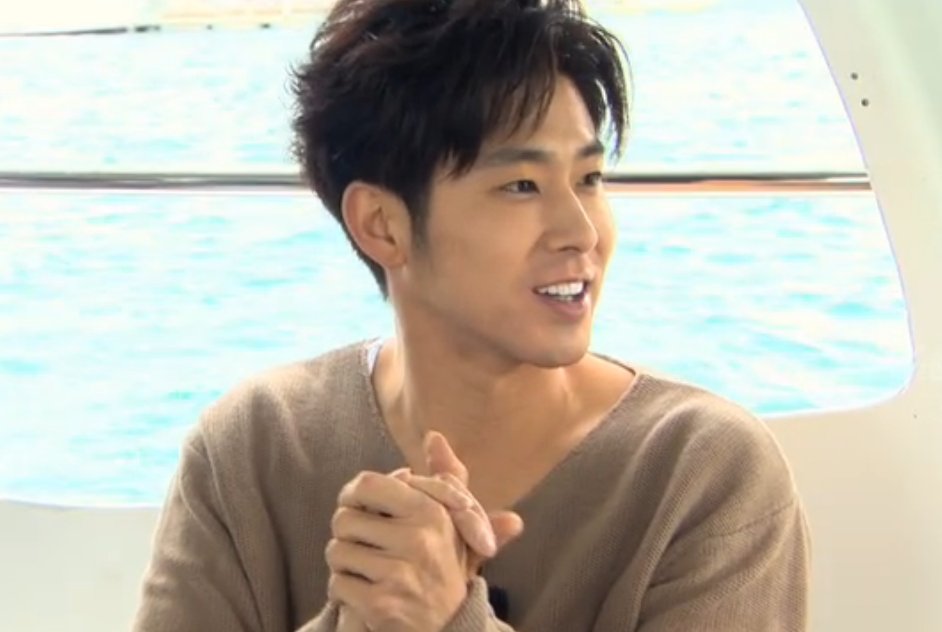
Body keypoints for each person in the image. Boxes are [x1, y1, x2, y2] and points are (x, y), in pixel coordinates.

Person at [132, 0, 810, 630]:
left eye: (589, 179)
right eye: (522, 186)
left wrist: (449, 617)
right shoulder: (252, 447)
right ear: (382, 225)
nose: (581, 231)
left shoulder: (706, 473)